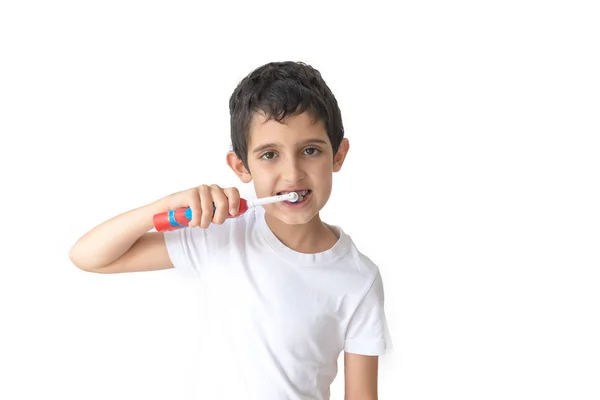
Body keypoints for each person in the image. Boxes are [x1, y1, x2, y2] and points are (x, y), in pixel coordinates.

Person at [69, 61, 392, 399]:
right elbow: (89, 256)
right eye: (269, 155)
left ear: (337, 156)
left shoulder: (360, 278)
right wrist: (164, 206)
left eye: (310, 151)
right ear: (241, 166)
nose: (292, 174)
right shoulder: (222, 235)